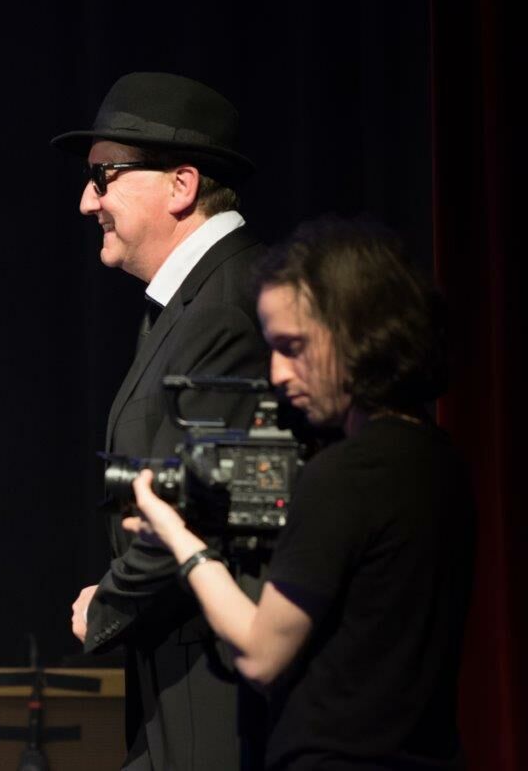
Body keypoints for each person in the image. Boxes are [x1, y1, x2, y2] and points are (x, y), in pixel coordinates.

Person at [122, 219, 473, 769]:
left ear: (358, 335)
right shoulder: (438, 456)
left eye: (294, 348)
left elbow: (262, 655)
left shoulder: (345, 473)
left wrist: (178, 537)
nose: (278, 374)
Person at [57, 72, 272, 769]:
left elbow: (196, 502)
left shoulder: (228, 306)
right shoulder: (191, 303)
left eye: (105, 176)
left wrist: (109, 603)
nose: (87, 200)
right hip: (177, 672)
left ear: (181, 186)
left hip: (215, 682)